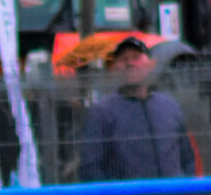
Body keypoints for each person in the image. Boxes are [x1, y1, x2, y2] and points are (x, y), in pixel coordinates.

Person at [75, 35, 194, 182]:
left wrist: (182, 189)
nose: (130, 63)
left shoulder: (170, 107)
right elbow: (89, 168)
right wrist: (119, 194)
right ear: (114, 68)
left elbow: (188, 159)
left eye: (136, 58)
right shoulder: (101, 113)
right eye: (123, 59)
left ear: (151, 64)